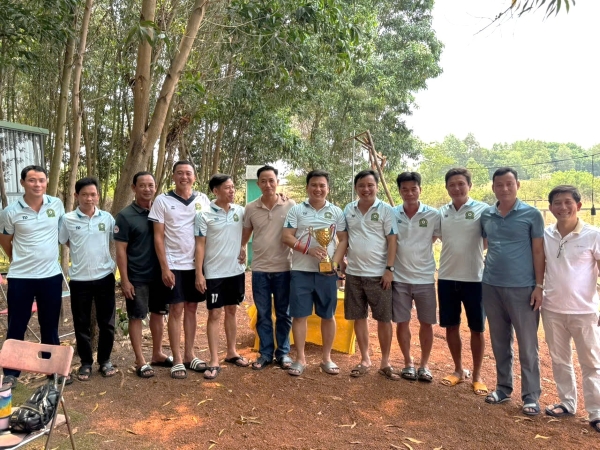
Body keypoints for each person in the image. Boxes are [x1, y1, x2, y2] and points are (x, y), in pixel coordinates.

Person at [480, 167, 544, 416]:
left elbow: (538, 251)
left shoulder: (532, 214)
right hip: (491, 286)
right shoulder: (487, 215)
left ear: (518, 185)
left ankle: (531, 396)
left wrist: (539, 286)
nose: (504, 188)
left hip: (523, 288)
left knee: (528, 344)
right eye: (499, 184)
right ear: (493, 187)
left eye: (509, 184)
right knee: (499, 341)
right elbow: (485, 244)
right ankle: (503, 388)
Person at [0, 165, 68, 387]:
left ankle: (53, 371)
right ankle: (11, 374)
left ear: (46, 182)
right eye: (32, 180)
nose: (37, 184)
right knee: (16, 324)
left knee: (50, 325)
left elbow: (62, 233)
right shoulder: (10, 212)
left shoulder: (56, 204)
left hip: (50, 276)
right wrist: (18, 259)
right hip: (21, 277)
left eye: (41, 180)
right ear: (22, 183)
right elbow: (5, 240)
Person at [541, 185, 600, 434]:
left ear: (579, 205)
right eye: (557, 203)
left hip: (584, 311)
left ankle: (597, 412)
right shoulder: (546, 234)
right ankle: (567, 403)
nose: (562, 207)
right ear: (550, 207)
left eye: (568, 202)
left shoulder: (593, 235)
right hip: (552, 309)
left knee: (591, 363)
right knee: (559, 359)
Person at [282, 170, 348, 377]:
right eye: (314, 185)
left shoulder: (337, 212)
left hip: (327, 274)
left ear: (328, 188)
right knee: (299, 316)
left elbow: (343, 240)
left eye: (322, 185)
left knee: (328, 315)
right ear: (307, 187)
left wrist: (334, 263)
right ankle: (300, 359)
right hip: (300, 271)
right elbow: (286, 236)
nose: (318, 189)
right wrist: (307, 250)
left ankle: (326, 358)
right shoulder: (296, 210)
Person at [149, 160, 211, 379]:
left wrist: (201, 270)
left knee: (192, 308)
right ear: (173, 176)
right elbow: (158, 237)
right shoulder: (162, 200)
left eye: (188, 173)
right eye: (180, 173)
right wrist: (164, 268)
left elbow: (209, 230)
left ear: (195, 177)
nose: (184, 177)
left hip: (196, 265)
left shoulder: (203, 200)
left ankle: (189, 355)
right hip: (173, 265)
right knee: (176, 310)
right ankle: (176, 359)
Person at [342, 170, 399, 380]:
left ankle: (385, 362)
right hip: (354, 273)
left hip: (379, 275)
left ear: (376, 187)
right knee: (359, 317)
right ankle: (365, 359)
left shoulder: (386, 210)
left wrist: (389, 269)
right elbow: (343, 238)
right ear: (356, 188)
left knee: (384, 318)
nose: (366, 189)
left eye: (370, 185)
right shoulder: (348, 209)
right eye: (361, 186)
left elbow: (392, 240)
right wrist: (341, 261)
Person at [115, 171, 172, 379]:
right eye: (142, 185)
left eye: (151, 185)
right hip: (137, 276)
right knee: (137, 316)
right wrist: (125, 279)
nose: (147, 189)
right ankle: (140, 360)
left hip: (161, 274)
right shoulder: (125, 216)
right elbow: (120, 250)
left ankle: (157, 354)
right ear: (134, 188)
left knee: (159, 313)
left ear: (156, 187)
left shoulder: (162, 210)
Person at [59, 177, 116, 381]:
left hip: (104, 276)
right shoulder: (67, 219)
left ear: (98, 196)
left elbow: (114, 240)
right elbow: (65, 241)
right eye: (84, 194)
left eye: (93, 194)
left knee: (107, 323)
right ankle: (86, 363)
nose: (89, 198)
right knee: (81, 323)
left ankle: (105, 360)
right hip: (79, 279)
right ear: (77, 196)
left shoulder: (107, 219)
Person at [438, 168, 489, 395]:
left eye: (461, 184)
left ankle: (477, 375)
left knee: (477, 328)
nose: (457, 188)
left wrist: (472, 252)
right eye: (452, 184)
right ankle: (458, 370)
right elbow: (440, 237)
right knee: (451, 326)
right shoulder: (442, 212)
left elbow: (487, 240)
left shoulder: (483, 210)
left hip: (475, 279)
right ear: (447, 187)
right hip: (447, 277)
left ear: (469, 185)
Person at [241, 165, 295, 370]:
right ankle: (265, 354)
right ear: (258, 184)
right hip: (260, 269)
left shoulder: (290, 205)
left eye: (271, 180)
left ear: (277, 182)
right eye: (263, 181)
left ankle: (283, 353)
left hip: (284, 268)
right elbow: (246, 234)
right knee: (263, 314)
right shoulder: (250, 208)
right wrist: (241, 249)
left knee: (284, 314)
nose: (268, 184)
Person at [195, 174, 248, 380]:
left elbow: (248, 230)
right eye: (227, 188)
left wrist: (243, 246)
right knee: (215, 314)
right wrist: (199, 273)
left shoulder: (240, 211)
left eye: (233, 187)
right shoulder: (204, 215)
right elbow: (200, 245)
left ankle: (232, 352)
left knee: (232, 310)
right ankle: (214, 359)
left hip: (236, 270)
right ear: (215, 191)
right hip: (214, 273)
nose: (232, 191)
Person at [392, 171, 440, 383]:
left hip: (425, 278)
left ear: (420, 189)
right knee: (402, 322)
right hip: (399, 278)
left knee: (426, 323)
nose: (409, 193)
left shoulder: (433, 215)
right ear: (399, 191)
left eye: (413, 189)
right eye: (405, 189)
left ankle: (424, 365)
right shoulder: (392, 213)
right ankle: (408, 363)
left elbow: (435, 237)